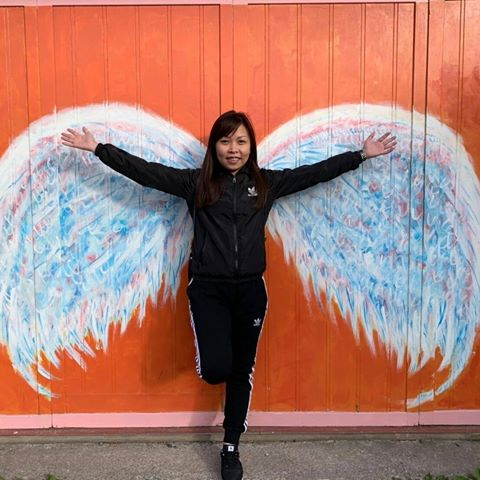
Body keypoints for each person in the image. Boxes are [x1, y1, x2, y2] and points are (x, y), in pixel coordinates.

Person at [61, 111, 396, 480]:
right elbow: (146, 172)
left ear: (250, 146)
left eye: (240, 141)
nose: (233, 149)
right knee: (217, 370)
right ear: (214, 146)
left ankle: (231, 446)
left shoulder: (266, 184)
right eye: (225, 141)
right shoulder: (196, 184)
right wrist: (98, 149)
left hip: (251, 291)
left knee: (241, 371)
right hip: (208, 290)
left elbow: (314, 173)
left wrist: (360, 156)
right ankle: (215, 366)